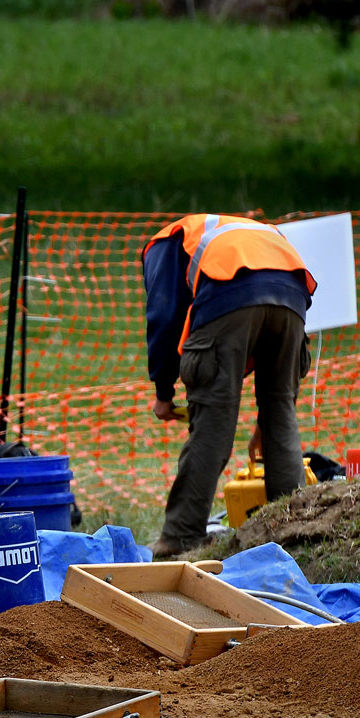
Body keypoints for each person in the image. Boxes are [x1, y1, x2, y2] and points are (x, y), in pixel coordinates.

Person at [142, 213, 317, 558]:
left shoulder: (162, 245)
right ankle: (295, 535)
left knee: (214, 425)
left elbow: (164, 315)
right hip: (292, 297)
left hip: (230, 293)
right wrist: (263, 425)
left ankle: (179, 537)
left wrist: (164, 391)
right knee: (280, 416)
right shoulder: (245, 230)